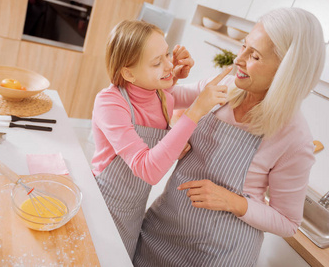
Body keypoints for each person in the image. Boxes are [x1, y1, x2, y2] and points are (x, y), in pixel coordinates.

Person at [133, 7, 326, 266]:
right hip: (162, 231)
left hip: (218, 254)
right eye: (243, 46)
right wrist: (170, 80)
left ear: (286, 71)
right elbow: (160, 99)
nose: (238, 60)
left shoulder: (294, 136)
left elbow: (288, 223)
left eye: (254, 56)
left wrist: (233, 202)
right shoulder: (223, 86)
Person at [91, 20, 231, 259]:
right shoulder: (110, 103)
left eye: (167, 54)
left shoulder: (162, 96)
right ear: (128, 72)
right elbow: (148, 170)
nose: (168, 64)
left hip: (134, 207)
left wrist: (236, 74)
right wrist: (195, 111)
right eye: (157, 62)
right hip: (104, 204)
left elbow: (201, 90)